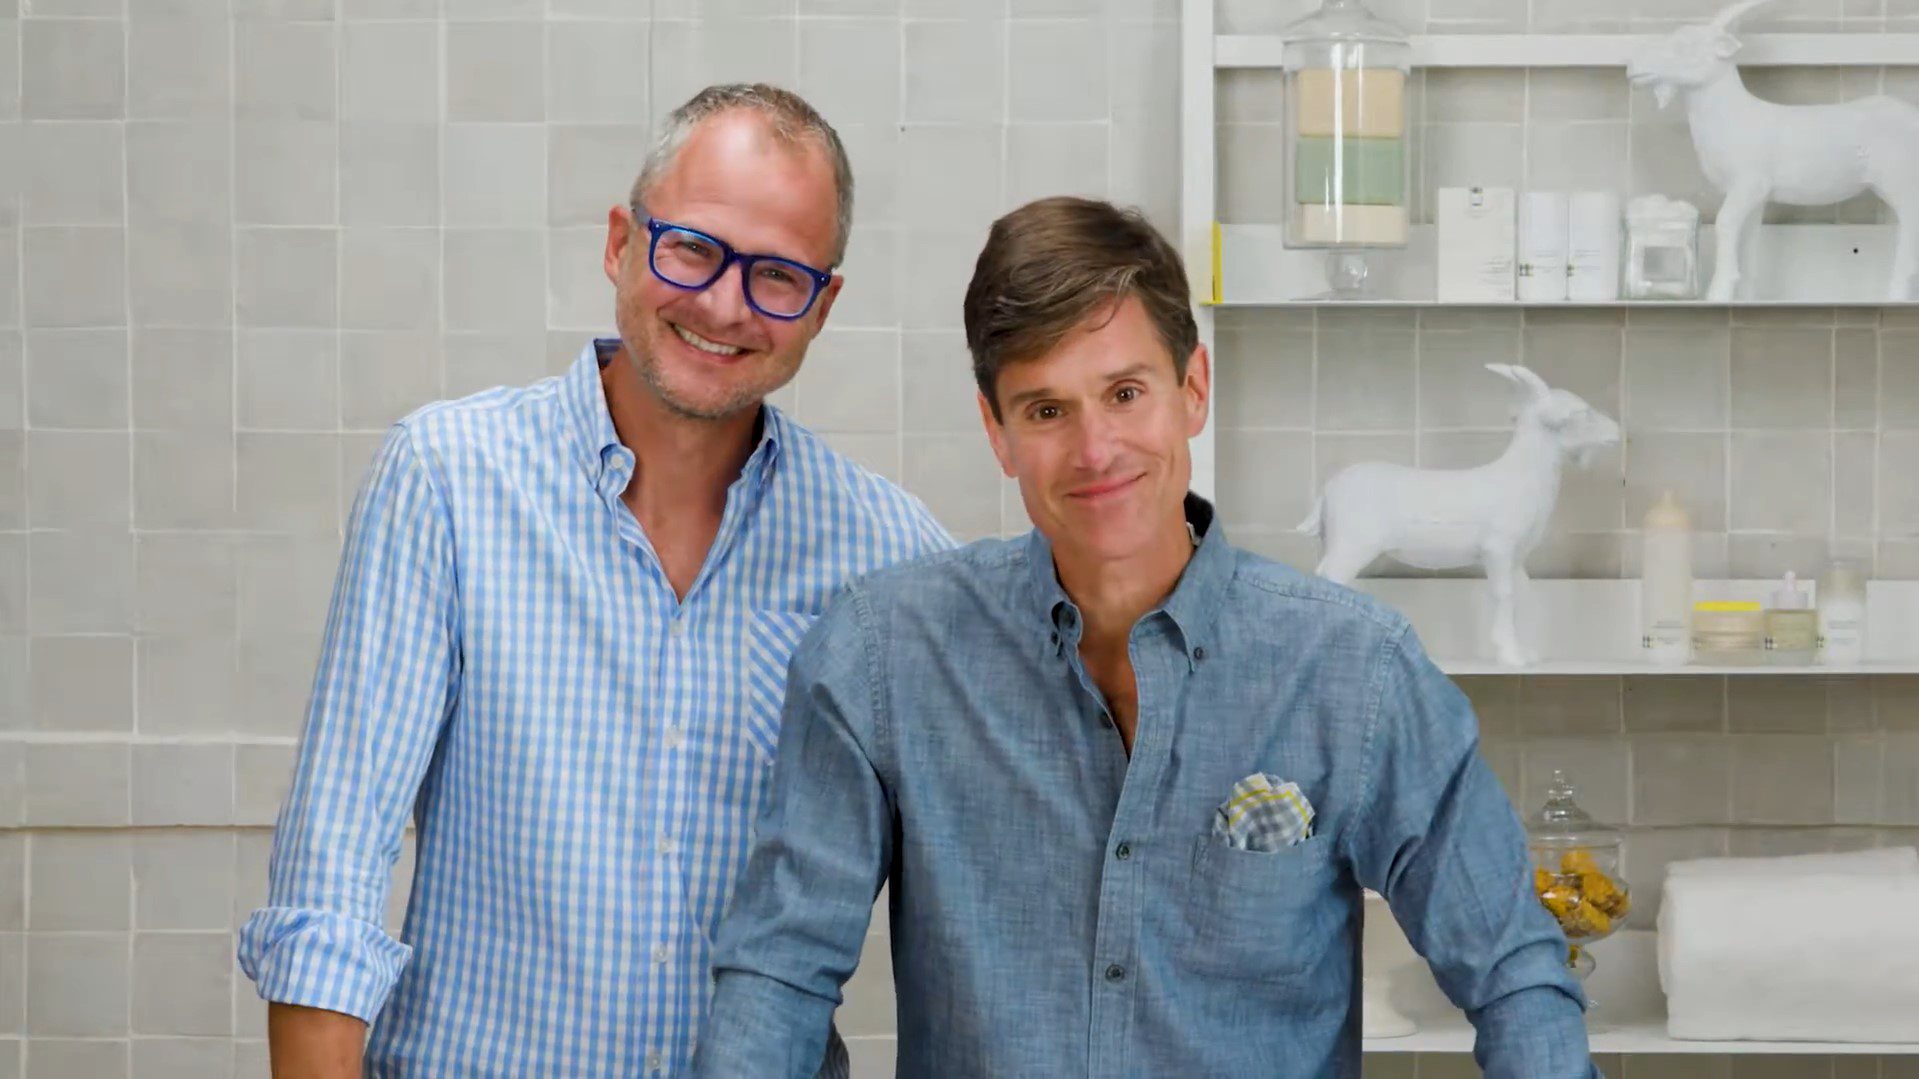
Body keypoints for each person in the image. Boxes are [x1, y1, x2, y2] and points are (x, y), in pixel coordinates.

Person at [694, 196, 1598, 1078]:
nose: (1095, 450)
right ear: (997, 433)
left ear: (1191, 389)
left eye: (1124, 393)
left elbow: (1514, 975)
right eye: (1045, 410)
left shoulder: (1355, 669)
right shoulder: (880, 654)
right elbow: (780, 970)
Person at [237, 84, 949, 1078]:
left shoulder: (888, 555)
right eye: (691, 249)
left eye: (777, 275)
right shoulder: (447, 480)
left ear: (821, 306)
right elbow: (330, 884)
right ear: (621, 242)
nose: (724, 304)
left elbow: (989, 885)